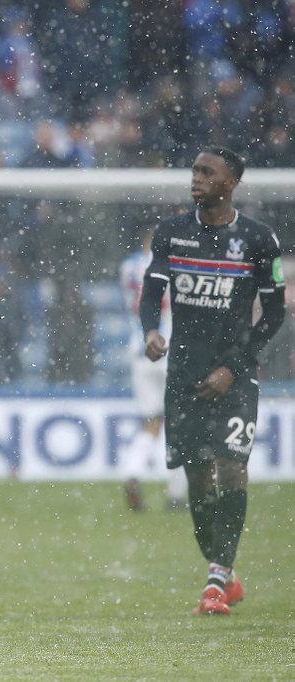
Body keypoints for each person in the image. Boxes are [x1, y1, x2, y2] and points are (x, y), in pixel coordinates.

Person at [140, 147, 286, 616]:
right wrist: (150, 330)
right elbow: (152, 291)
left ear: (231, 183)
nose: (196, 178)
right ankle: (223, 573)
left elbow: (274, 314)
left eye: (208, 172)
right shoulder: (172, 233)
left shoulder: (260, 239)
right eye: (195, 171)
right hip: (184, 372)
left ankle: (215, 582)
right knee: (197, 477)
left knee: (230, 467)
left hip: (237, 373)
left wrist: (233, 367)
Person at [117, 225, 187, 511]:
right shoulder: (174, 266)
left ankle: (131, 470)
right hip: (168, 347)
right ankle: (176, 494)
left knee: (151, 423)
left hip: (140, 347)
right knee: (180, 423)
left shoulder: (128, 266)